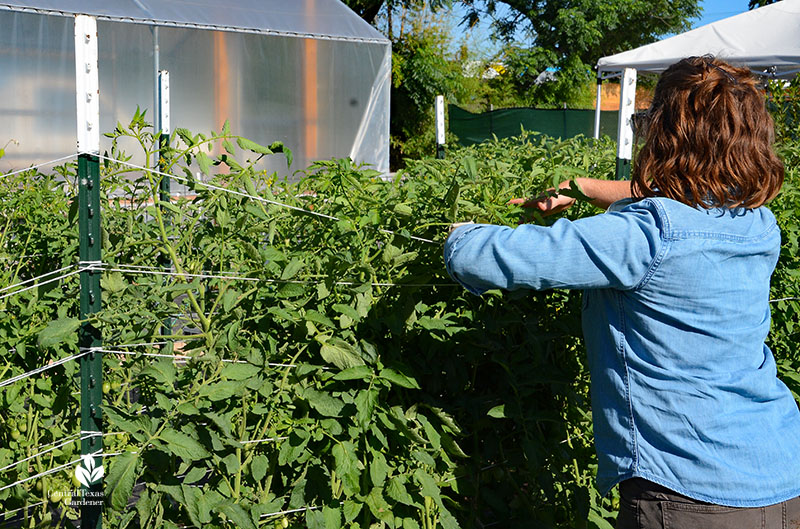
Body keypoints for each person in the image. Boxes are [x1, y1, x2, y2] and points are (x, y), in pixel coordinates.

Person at [444, 56, 800, 529]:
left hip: (688, 493)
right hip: (780, 477)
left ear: (670, 135)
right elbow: (682, 200)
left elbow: (486, 258)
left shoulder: (643, 236)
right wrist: (586, 187)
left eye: (649, 121)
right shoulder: (756, 223)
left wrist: (456, 231)